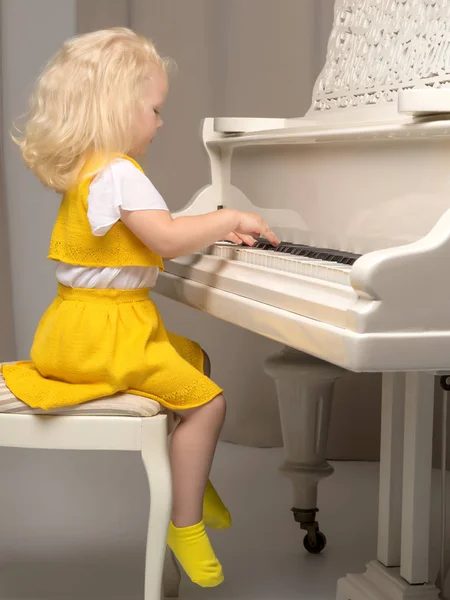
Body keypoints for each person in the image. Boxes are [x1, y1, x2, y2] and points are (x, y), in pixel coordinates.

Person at [1, 28, 279, 588]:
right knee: (209, 405)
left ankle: (189, 477)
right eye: (154, 109)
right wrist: (229, 219)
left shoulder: (89, 170)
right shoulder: (122, 173)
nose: (159, 122)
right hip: (109, 336)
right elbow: (170, 238)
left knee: (192, 358)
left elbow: (138, 245)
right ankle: (186, 522)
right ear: (118, 108)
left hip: (72, 331)